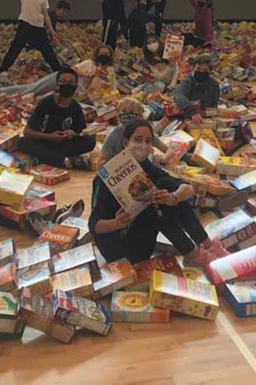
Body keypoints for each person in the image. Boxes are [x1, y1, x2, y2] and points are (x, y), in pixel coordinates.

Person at [89, 120, 227, 265]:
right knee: (154, 206)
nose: (143, 145)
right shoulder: (106, 175)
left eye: (148, 141)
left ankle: (207, 245)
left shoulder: (144, 165)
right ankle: (192, 254)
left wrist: (173, 198)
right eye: (137, 139)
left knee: (164, 188)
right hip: (119, 247)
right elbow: (94, 226)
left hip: (142, 238)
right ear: (125, 142)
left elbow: (187, 188)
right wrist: (117, 223)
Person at [18, 68, 97, 169]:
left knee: (90, 141)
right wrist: (49, 136)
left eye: (71, 82)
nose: (67, 85)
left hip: (63, 144)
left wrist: (72, 134)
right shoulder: (45, 103)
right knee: (22, 142)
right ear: (57, 84)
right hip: (44, 141)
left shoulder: (76, 107)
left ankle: (50, 159)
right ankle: (65, 161)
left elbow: (80, 132)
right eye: (63, 81)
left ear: (76, 86)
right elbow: (27, 132)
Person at [99, 98, 172, 162]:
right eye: (124, 111)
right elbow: (102, 161)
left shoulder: (145, 133)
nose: (127, 114)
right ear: (117, 114)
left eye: (132, 112)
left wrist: (163, 159)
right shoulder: (113, 136)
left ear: (140, 116)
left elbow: (169, 151)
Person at [173, 55, 220, 120]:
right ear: (193, 68)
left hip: (207, 120)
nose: (201, 72)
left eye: (205, 70)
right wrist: (193, 112)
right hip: (187, 117)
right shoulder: (187, 81)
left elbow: (214, 106)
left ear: (210, 71)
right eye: (198, 69)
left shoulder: (214, 85)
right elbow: (178, 95)